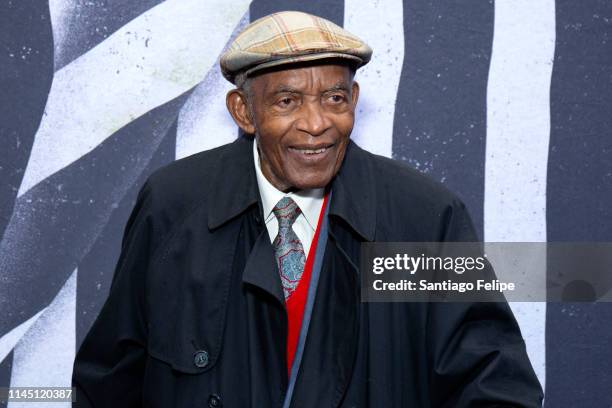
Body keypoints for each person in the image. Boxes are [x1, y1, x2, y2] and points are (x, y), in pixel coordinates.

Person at [72, 10, 543, 407]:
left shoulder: (423, 216)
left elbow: (494, 383)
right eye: (287, 101)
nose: (317, 124)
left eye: (334, 98)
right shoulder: (175, 204)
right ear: (243, 111)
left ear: (354, 100)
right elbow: (112, 378)